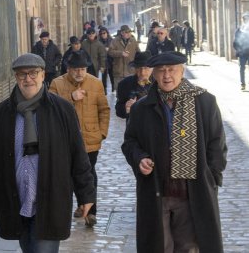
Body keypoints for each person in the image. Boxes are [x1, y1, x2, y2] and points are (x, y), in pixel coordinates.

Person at [0, 53, 95, 253]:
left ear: (42, 75)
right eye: (22, 74)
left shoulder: (63, 110)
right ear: (16, 77)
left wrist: (86, 193)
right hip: (17, 199)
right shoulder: (2, 113)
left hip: (51, 200)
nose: (27, 78)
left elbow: (78, 155)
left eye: (33, 73)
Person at [122, 51, 227, 253]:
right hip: (156, 190)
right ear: (154, 74)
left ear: (182, 71)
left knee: (189, 247)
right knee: (159, 247)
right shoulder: (142, 107)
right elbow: (130, 142)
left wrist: (212, 179)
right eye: (161, 71)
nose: (166, 75)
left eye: (172, 70)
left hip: (192, 192)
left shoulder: (204, 102)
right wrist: (139, 158)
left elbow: (217, 144)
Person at [50, 50, 110, 227]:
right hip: (65, 140)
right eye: (75, 69)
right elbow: (50, 108)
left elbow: (104, 110)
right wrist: (70, 98)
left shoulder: (95, 83)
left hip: (90, 140)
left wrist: (102, 133)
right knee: (69, 175)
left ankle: (91, 211)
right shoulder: (57, 84)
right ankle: (78, 205)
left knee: (89, 174)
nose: (79, 73)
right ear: (68, 69)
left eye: (83, 69)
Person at [115, 51, 152, 121]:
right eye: (139, 68)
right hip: (133, 128)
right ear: (135, 68)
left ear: (152, 68)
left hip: (155, 129)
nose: (142, 72)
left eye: (146, 68)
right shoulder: (124, 84)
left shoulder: (159, 83)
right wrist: (126, 108)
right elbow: (118, 110)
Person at [108, 25, 140, 91]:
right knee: (119, 93)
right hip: (119, 72)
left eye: (130, 32)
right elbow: (110, 52)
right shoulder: (115, 41)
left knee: (131, 93)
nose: (129, 34)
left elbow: (138, 53)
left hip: (130, 71)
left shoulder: (133, 40)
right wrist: (121, 53)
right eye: (127, 32)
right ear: (122, 33)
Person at [233, 11, 249, 90]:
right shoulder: (239, 29)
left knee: (242, 68)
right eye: (245, 19)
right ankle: (243, 84)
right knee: (242, 68)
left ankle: (243, 84)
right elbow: (235, 41)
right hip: (242, 52)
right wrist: (238, 49)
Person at [98, 27, 115, 93]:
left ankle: (113, 87)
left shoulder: (112, 40)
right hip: (103, 61)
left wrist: (109, 50)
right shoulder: (99, 41)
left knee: (111, 74)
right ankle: (104, 89)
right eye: (101, 33)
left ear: (107, 33)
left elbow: (114, 49)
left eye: (104, 33)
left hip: (111, 60)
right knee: (104, 76)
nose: (103, 35)